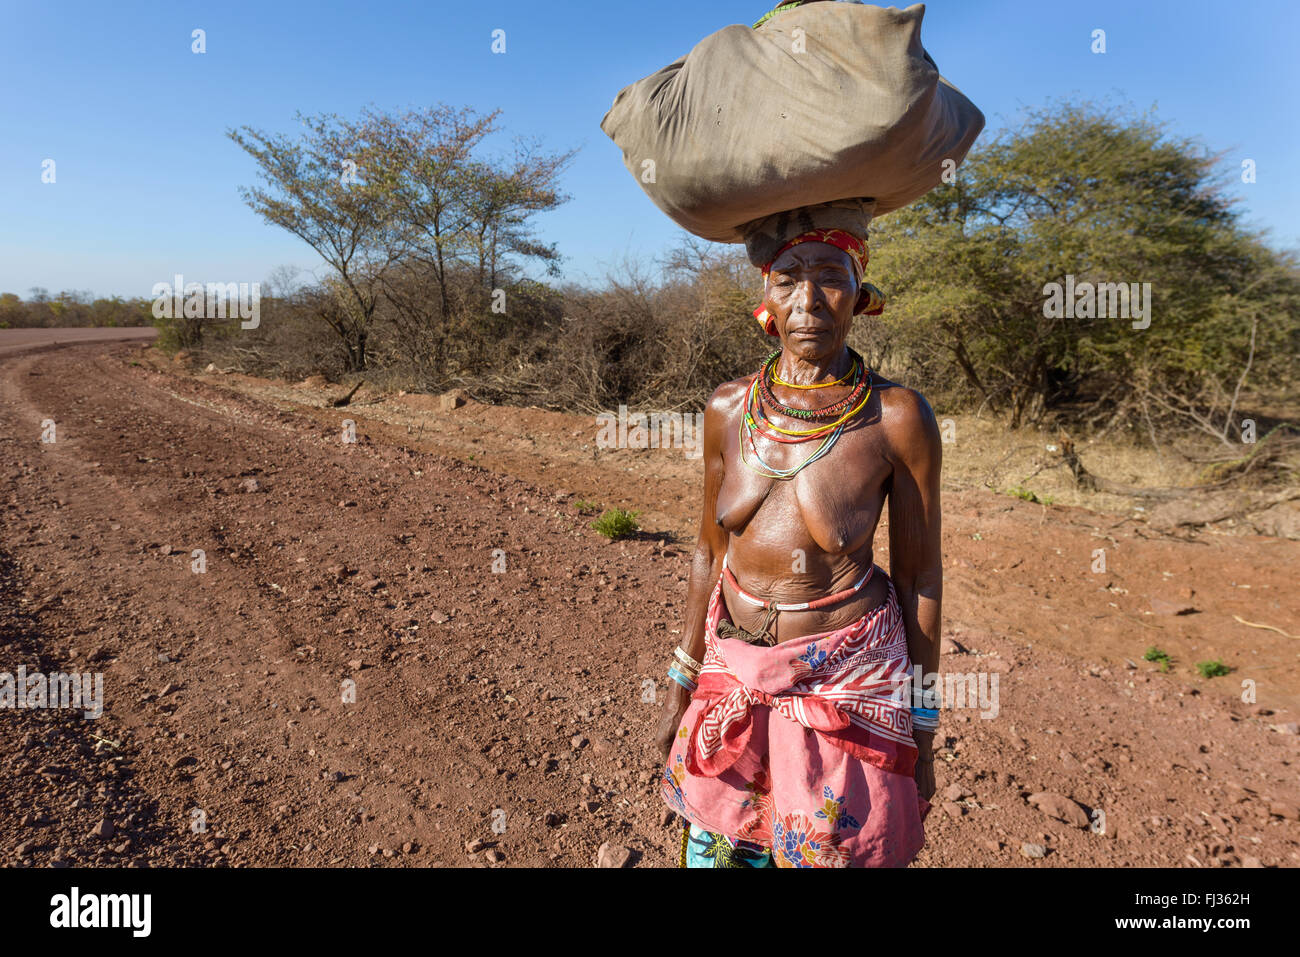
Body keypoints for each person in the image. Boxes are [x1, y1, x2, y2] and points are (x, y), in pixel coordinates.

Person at [654, 210, 943, 868]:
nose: (808, 300)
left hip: (843, 684)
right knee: (721, 854)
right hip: (731, 674)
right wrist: (684, 682)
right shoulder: (728, 408)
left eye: (830, 278)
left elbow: (920, 577)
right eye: (787, 279)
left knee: (828, 854)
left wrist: (923, 724)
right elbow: (708, 551)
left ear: (860, 294)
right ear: (766, 298)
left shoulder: (897, 417)